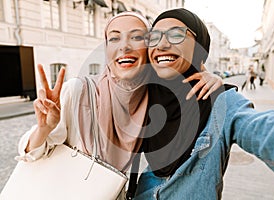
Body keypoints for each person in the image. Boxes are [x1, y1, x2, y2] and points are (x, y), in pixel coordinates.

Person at [16, 12, 222, 173]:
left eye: (137, 37)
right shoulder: (80, 91)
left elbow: (181, 80)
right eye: (114, 39)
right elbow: (30, 153)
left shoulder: (152, 96)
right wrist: (45, 128)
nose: (124, 47)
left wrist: (212, 78)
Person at [133, 8, 274, 200]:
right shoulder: (143, 96)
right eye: (154, 37)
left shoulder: (221, 101)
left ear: (199, 46)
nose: (161, 44)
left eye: (176, 34)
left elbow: (264, 131)